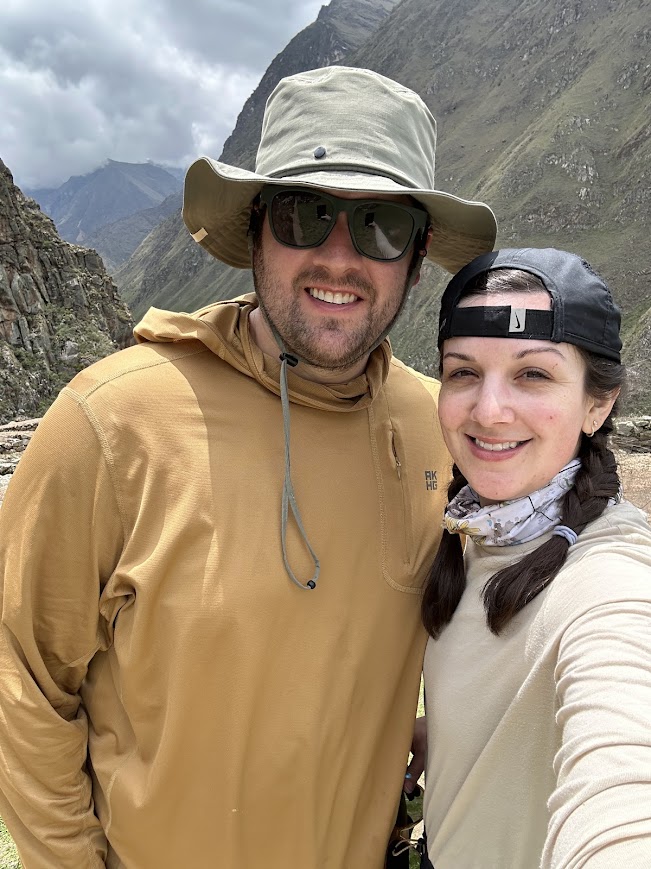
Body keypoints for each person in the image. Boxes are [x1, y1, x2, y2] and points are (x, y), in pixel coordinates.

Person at [0, 67, 496, 868]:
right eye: (305, 214)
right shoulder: (112, 421)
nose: (339, 257)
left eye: (381, 225)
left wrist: (451, 721)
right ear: (258, 227)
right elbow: (20, 677)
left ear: (418, 253)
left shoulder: (443, 429)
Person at [407, 247, 651, 867]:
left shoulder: (610, 578)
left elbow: (623, 779)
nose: (488, 411)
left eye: (533, 374)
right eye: (463, 372)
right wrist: (451, 737)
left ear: (598, 404)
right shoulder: (477, 532)